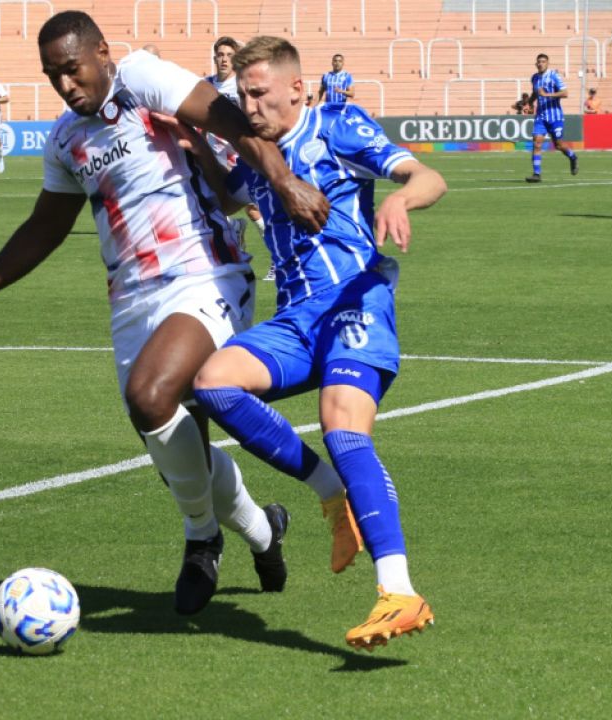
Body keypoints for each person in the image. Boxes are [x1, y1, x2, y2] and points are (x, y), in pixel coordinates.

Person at [0, 11, 335, 617]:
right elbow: (44, 229)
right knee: (177, 451)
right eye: (53, 76)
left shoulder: (143, 77)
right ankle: (264, 531)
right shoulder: (65, 140)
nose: (65, 86)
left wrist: (283, 180)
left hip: (205, 274)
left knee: (151, 395)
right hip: (130, 301)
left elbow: (232, 123)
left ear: (102, 52)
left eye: (73, 70)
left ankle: (200, 540)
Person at [177, 36, 447, 650]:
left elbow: (427, 175)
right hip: (296, 318)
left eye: (260, 93)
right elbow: (234, 195)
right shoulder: (255, 151)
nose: (247, 105)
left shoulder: (337, 125)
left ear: (298, 88)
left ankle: (399, 590)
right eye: (241, 94)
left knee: (340, 421)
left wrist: (403, 196)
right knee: (212, 382)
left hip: (355, 300)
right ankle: (331, 496)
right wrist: (197, 144)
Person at [205, 36, 272, 280]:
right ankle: (229, 242)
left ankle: (273, 255)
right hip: (213, 158)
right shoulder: (205, 86)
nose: (223, 59)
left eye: (228, 55)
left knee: (255, 207)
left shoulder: (241, 86)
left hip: (239, 157)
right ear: (214, 58)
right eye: (220, 54)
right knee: (209, 203)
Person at [524, 53, 578, 183]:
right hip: (541, 116)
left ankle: (572, 156)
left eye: (543, 61)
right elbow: (535, 93)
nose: (540, 63)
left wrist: (547, 94)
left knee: (558, 145)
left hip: (555, 117)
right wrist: (530, 103)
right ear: (536, 64)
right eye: (539, 62)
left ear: (548, 63)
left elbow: (565, 93)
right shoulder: (535, 78)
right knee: (537, 143)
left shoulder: (554, 75)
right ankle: (536, 174)